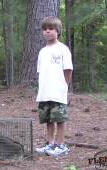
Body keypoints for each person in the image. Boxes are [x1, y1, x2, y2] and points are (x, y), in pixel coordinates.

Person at [34, 16, 73, 157]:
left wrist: (64, 86)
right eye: (44, 29)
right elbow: (40, 73)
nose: (47, 32)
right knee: (48, 119)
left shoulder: (63, 49)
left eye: (50, 29)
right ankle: (50, 144)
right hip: (44, 92)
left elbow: (68, 70)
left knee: (59, 119)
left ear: (58, 31)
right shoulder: (42, 52)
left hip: (58, 91)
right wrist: (41, 89)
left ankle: (61, 145)